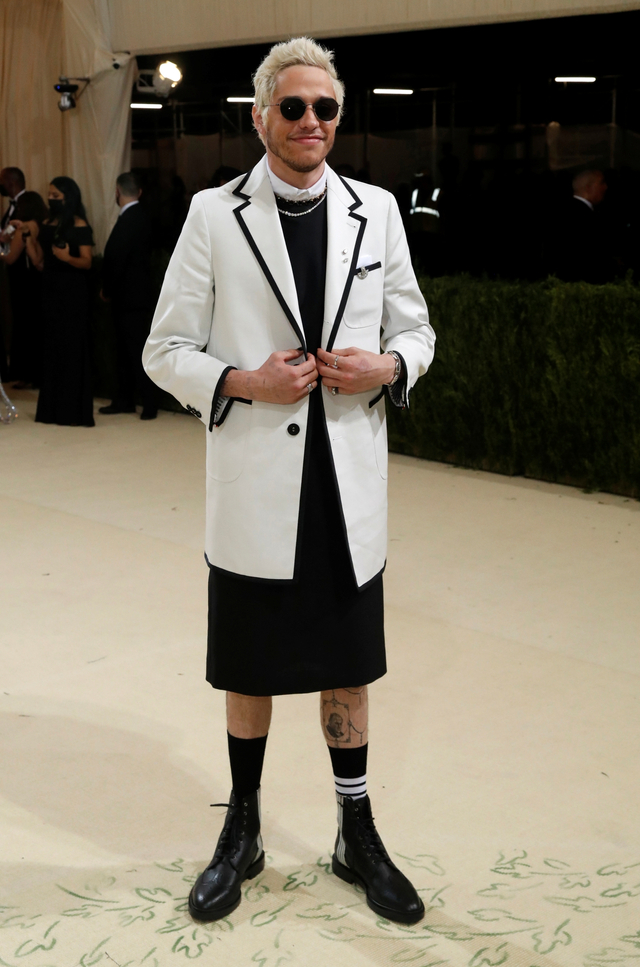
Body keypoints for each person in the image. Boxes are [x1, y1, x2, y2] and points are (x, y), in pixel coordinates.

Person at [143, 37, 435, 925]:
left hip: (349, 484)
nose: (313, 122)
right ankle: (243, 828)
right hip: (256, 478)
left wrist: (386, 367)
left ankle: (356, 828)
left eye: (327, 109)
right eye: (295, 107)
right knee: (253, 664)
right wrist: (243, 382)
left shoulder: (376, 210)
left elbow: (417, 332)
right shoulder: (211, 215)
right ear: (262, 114)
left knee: (349, 665)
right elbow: (163, 350)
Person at [25, 177, 95, 427]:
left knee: (73, 349)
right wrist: (30, 241)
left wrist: (66, 257)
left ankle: (72, 412)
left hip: (73, 293)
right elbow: (40, 262)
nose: (51, 199)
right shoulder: (46, 223)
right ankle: (51, 410)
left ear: (68, 196)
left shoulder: (79, 224)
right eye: (49, 195)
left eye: (56, 195)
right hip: (50, 291)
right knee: (52, 348)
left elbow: (86, 261)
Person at [99, 172, 158, 419]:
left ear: (117, 191)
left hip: (127, 297)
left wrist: (107, 289)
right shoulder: (144, 217)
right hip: (139, 295)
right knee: (128, 350)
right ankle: (125, 399)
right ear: (140, 192)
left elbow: (116, 259)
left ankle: (148, 402)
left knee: (132, 351)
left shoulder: (128, 219)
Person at [0, 192, 49, 387]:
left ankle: (27, 375)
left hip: (23, 281)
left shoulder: (25, 227)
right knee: (35, 326)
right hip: (36, 280)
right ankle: (36, 373)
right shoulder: (42, 223)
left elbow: (11, 257)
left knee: (24, 326)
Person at [555, 168, 610, 283]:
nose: (605, 187)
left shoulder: (564, 211)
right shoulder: (585, 216)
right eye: (601, 183)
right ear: (588, 187)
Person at [0, 167, 28, 384]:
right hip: (9, 272)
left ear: (10, 182)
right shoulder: (12, 206)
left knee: (21, 319)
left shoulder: (26, 204)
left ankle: (21, 371)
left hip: (21, 272)